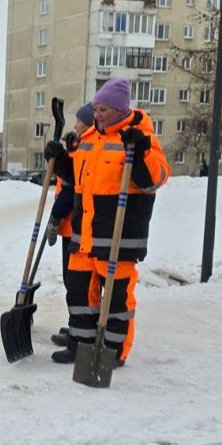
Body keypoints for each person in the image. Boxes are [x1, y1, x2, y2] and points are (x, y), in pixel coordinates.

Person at [45, 78, 170, 367]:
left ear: (119, 109)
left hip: (118, 237)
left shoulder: (139, 137)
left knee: (116, 302)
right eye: (96, 108)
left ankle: (113, 352)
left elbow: (155, 179)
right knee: (79, 294)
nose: (97, 114)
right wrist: (60, 161)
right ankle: (81, 345)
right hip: (85, 235)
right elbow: (77, 179)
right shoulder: (89, 138)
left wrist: (138, 154)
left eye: (103, 109)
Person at [46, 103, 92, 348]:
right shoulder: (79, 147)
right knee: (72, 281)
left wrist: (54, 217)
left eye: (80, 122)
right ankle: (77, 325)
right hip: (70, 227)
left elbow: (72, 187)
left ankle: (81, 329)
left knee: (76, 283)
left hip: (77, 227)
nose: (75, 126)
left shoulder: (88, 150)